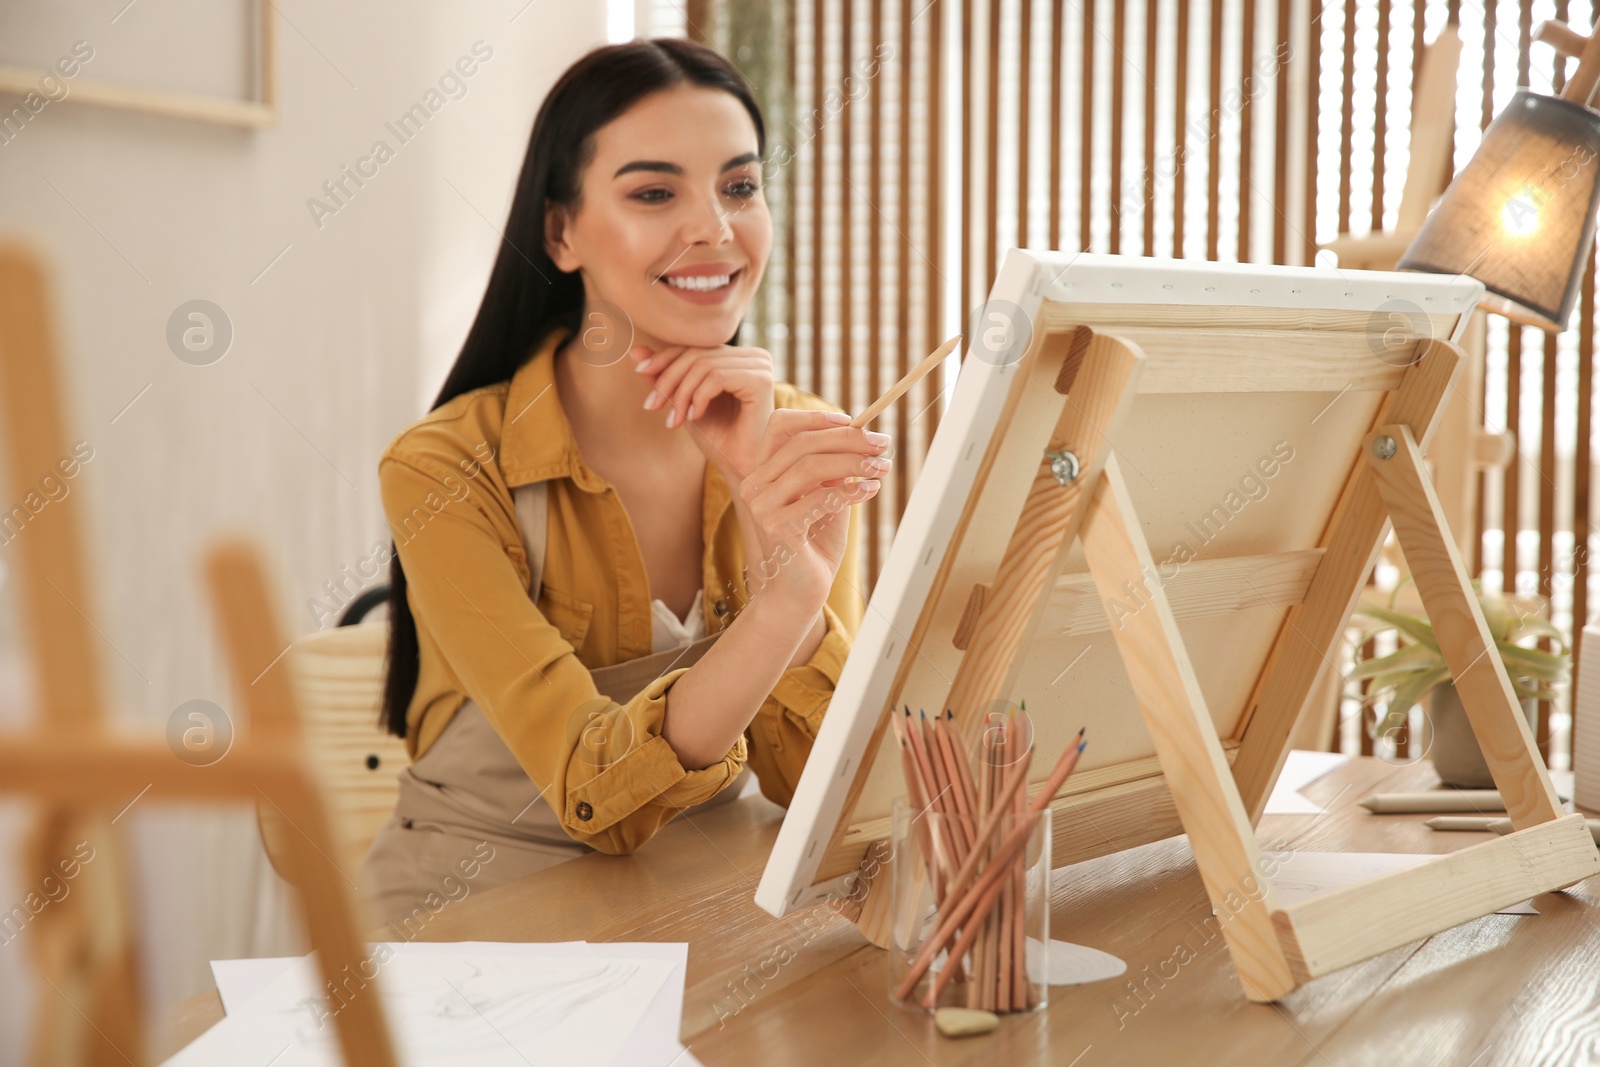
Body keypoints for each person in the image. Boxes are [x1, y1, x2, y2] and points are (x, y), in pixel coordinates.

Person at [357, 37, 891, 930]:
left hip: (717, 893)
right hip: (476, 904)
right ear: (561, 233)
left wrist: (789, 579)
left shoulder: (797, 434)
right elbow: (589, 787)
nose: (715, 229)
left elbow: (823, 787)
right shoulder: (443, 467)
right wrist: (776, 608)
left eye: (740, 186)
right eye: (654, 193)